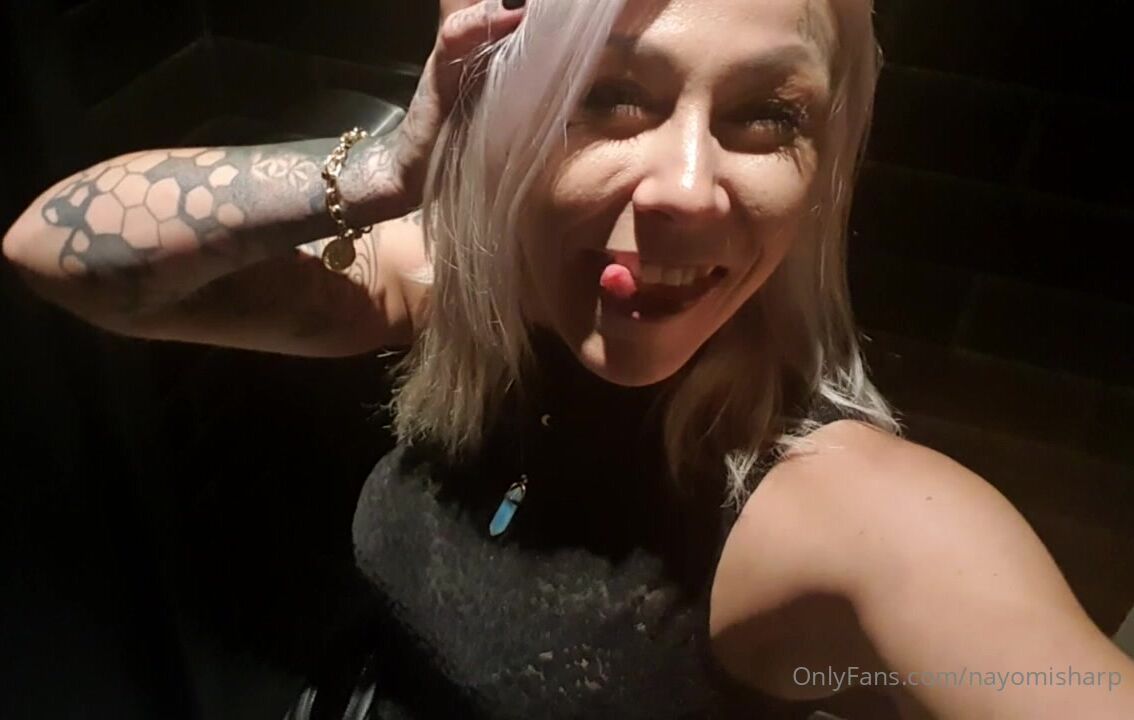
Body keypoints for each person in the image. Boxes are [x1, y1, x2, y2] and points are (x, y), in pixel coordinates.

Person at [5, 0, 1133, 717]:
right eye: (612, 97)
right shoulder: (458, 286)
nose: (688, 190)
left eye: (767, 115)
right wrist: (392, 169)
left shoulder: (849, 516)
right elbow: (58, 253)